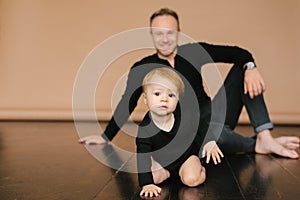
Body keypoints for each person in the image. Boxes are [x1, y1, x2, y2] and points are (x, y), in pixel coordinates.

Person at [79, 8, 299, 159]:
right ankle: (256, 145)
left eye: (170, 33)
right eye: (159, 33)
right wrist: (106, 137)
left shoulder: (193, 51)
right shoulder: (143, 66)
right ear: (151, 35)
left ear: (179, 33)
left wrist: (250, 66)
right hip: (187, 130)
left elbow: (238, 53)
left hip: (213, 113)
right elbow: (127, 102)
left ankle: (265, 137)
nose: (165, 39)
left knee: (243, 71)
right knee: (214, 137)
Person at [137, 67, 223, 197]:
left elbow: (201, 125)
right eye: (157, 94)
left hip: (186, 157)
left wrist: (209, 142)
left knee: (192, 179)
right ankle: (168, 173)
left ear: (178, 100)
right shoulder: (145, 129)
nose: (164, 99)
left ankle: (200, 167)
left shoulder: (184, 114)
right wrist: (146, 183)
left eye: (171, 95)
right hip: (162, 161)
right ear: (145, 99)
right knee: (151, 178)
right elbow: (142, 157)